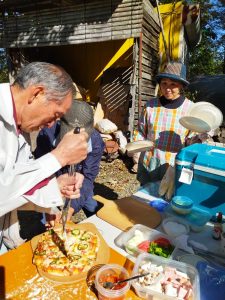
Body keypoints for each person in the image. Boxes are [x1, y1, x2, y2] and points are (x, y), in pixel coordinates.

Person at [0, 62, 88, 253]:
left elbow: (14, 189)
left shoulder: (19, 127)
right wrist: (58, 157)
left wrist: (54, 187)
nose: (51, 125)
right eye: (56, 115)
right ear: (36, 93)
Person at [34, 100, 105, 219]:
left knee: (97, 214)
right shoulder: (46, 136)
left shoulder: (96, 141)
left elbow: (88, 177)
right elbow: (41, 174)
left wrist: (71, 209)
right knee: (47, 221)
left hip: (80, 185)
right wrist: (52, 203)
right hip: (53, 184)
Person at [133, 61, 199, 186]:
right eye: (164, 83)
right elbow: (141, 131)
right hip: (149, 161)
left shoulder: (190, 109)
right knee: (146, 200)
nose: (167, 88)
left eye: (173, 84)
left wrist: (200, 138)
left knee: (169, 200)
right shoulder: (150, 106)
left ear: (181, 86)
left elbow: (192, 140)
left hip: (174, 165)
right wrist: (135, 150)